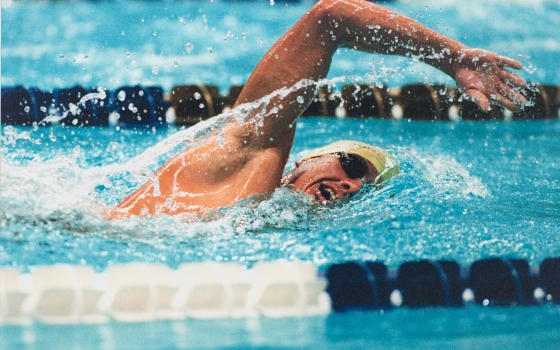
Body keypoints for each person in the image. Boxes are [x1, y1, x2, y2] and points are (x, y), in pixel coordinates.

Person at [108, 0, 527, 219]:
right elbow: (331, 17)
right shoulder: (248, 156)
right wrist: (450, 58)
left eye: (365, 185)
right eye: (351, 165)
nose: (352, 185)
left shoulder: (268, 229)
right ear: (303, 162)